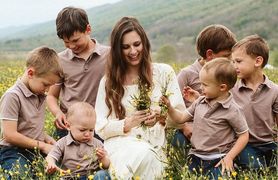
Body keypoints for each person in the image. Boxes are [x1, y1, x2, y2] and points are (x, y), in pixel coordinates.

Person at [95, 16, 185, 179]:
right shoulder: (108, 82)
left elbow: (180, 118)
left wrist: (160, 117)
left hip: (155, 148)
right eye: (125, 47)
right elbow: (100, 126)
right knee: (142, 154)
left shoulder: (164, 73)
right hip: (121, 147)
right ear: (117, 50)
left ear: (144, 43)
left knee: (147, 156)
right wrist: (126, 124)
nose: (133, 51)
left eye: (137, 44)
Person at [161, 58, 249, 179]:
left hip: (219, 159)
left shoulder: (233, 110)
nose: (201, 88)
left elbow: (244, 135)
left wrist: (229, 157)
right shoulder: (200, 102)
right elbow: (180, 118)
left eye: (205, 85)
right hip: (196, 157)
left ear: (222, 87)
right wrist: (169, 107)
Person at [46, 7, 109, 139]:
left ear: (88, 29)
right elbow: (51, 96)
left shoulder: (109, 55)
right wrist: (58, 113)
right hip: (69, 127)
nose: (72, 46)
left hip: (98, 126)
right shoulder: (60, 60)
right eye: (66, 42)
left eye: (75, 40)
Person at [0, 46, 63, 179]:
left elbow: (30, 127)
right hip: (13, 151)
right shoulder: (13, 96)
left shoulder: (38, 94)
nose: (47, 90)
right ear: (30, 73)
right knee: (22, 175)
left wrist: (48, 139)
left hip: (35, 149)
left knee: (65, 167)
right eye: (45, 84)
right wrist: (43, 146)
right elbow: (10, 135)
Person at [173, 24, 237, 148]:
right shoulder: (187, 74)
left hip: (218, 127)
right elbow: (173, 104)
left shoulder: (226, 73)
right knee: (178, 141)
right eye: (226, 56)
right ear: (209, 54)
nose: (230, 60)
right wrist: (184, 127)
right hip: (191, 127)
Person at [231, 35, 278, 169]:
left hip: (269, 143)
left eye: (239, 61)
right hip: (244, 145)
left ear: (258, 61)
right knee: (257, 169)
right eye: (233, 62)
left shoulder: (274, 90)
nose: (234, 66)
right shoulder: (231, 90)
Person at [46, 102, 111, 180]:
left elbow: (106, 165)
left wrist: (103, 158)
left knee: (103, 174)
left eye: (91, 130)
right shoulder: (62, 143)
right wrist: (51, 164)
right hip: (70, 176)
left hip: (91, 176)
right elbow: (51, 156)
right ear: (68, 126)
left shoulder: (97, 143)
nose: (87, 134)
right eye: (82, 130)